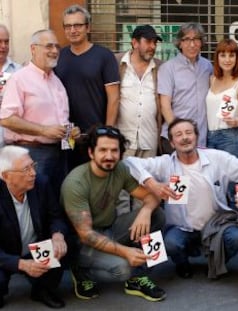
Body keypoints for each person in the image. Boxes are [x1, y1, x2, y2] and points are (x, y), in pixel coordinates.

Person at [124, 118, 238, 279]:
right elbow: (129, 162)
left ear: (196, 137)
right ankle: (181, 263)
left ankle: (215, 262)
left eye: (189, 133)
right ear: (172, 143)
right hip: (181, 228)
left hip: (215, 226)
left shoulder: (217, 158)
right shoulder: (166, 163)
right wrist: (152, 184)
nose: (185, 137)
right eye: (178, 135)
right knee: (171, 243)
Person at [60, 125, 166, 302]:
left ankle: (138, 277)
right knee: (122, 268)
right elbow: (86, 235)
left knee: (157, 215)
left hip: (110, 229)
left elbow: (151, 196)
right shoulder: (76, 182)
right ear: (91, 152)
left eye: (114, 150)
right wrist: (126, 252)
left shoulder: (120, 169)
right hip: (81, 242)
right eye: (103, 150)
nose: (109, 156)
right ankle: (81, 270)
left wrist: (146, 210)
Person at [0, 29, 78, 197]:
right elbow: (6, 118)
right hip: (32, 155)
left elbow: (60, 121)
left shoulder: (56, 81)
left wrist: (71, 134)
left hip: (60, 153)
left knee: (56, 205)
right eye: (49, 46)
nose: (55, 51)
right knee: (35, 205)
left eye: (57, 46)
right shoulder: (19, 78)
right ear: (33, 49)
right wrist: (43, 130)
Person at [0, 146, 68, 309]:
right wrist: (21, 264)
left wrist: (57, 235)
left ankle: (41, 290)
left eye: (33, 166)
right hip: (5, 254)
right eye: (25, 169)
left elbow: (55, 216)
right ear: (6, 176)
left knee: (63, 246)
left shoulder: (41, 183)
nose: (33, 173)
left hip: (35, 247)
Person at [55, 4, 120, 169]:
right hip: (67, 133)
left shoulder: (104, 56)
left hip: (95, 133)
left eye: (77, 25)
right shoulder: (58, 57)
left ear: (88, 27)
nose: (73, 30)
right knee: (69, 178)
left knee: (96, 178)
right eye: (68, 26)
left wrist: (107, 132)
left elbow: (114, 98)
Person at [157, 22, 212, 152]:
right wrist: (179, 134)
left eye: (196, 39)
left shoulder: (208, 66)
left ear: (201, 42)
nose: (192, 44)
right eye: (187, 39)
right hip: (176, 139)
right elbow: (165, 106)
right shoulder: (168, 68)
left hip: (201, 139)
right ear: (179, 43)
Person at [116, 25, 162, 159]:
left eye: (155, 42)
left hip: (149, 142)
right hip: (123, 141)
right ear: (135, 43)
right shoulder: (117, 63)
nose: (153, 46)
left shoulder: (160, 67)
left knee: (148, 179)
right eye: (148, 42)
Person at [206, 38, 238, 159]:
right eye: (223, 55)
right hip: (209, 137)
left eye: (231, 55)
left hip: (231, 138)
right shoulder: (212, 79)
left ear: (237, 58)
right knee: (213, 177)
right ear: (217, 58)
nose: (227, 60)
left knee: (232, 178)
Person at [0, 24, 21, 147]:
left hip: (11, 143)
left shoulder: (18, 71)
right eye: (0, 42)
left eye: (6, 42)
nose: (3, 46)